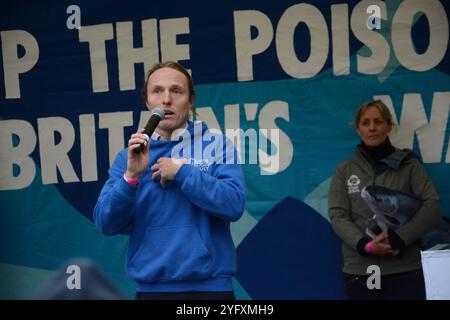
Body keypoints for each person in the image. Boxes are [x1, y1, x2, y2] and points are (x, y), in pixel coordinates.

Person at [93, 61, 246, 300]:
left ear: (190, 100)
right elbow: (105, 222)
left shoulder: (218, 146)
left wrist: (184, 173)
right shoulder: (128, 157)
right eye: (157, 91)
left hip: (212, 289)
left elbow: (234, 205)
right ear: (147, 102)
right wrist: (131, 177)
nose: (166, 100)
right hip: (152, 289)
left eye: (176, 91)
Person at [328, 100, 442, 300]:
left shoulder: (410, 165)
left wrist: (400, 238)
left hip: (405, 268)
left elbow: (432, 206)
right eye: (366, 123)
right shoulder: (344, 170)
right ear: (358, 129)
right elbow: (338, 215)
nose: (372, 128)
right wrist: (365, 244)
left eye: (378, 122)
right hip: (360, 270)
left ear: (388, 126)